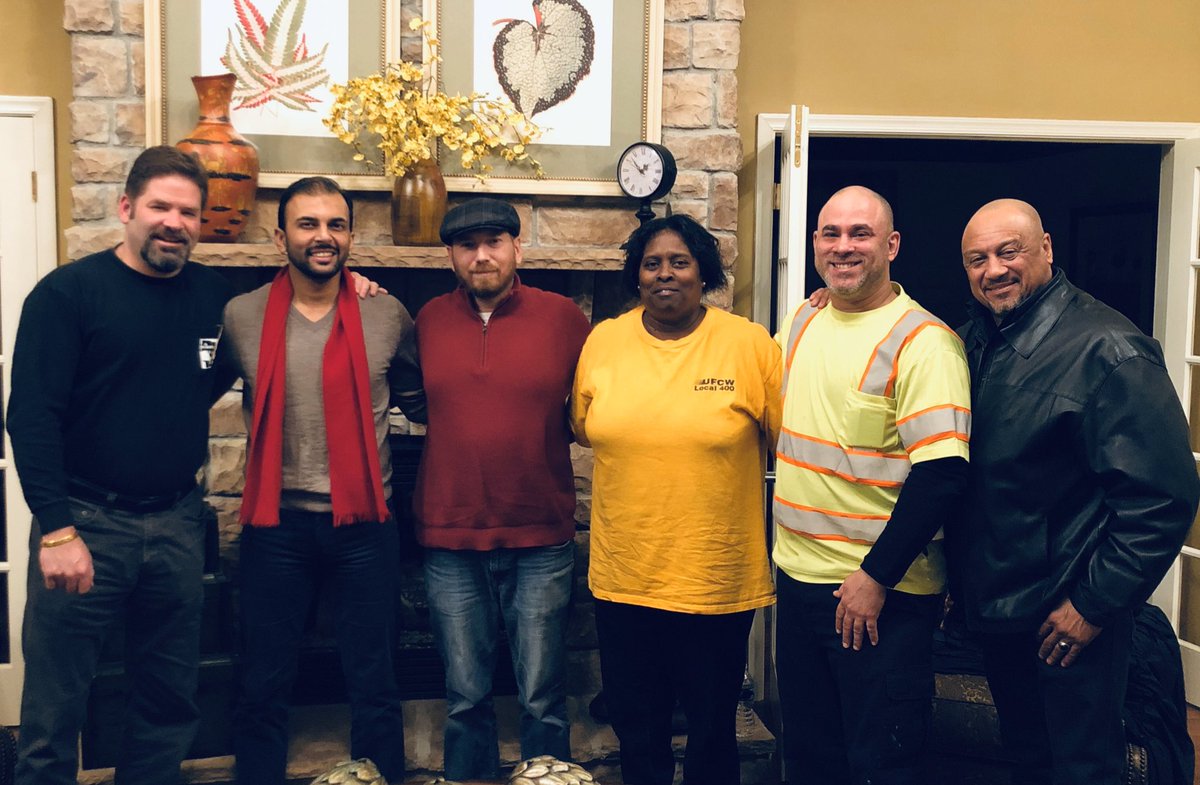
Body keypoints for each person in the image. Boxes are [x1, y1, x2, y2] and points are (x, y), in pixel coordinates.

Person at [6, 146, 233, 785]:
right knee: (56, 707)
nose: (174, 223)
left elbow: (212, 378)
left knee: (167, 701)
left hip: (177, 525)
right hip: (84, 525)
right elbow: (31, 418)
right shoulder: (68, 294)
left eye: (189, 213)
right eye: (161, 207)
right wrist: (57, 530)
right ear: (126, 207)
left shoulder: (211, 297)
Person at [954, 198, 1199, 785]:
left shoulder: (1111, 349)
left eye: (1009, 252)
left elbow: (1162, 499)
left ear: (1046, 248)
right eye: (977, 259)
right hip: (1001, 610)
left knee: (1082, 769)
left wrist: (1093, 605)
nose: (994, 270)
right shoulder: (973, 341)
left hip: (1068, 616)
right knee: (1028, 759)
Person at [221, 177, 426, 785]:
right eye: (308, 224)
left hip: (366, 527)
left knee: (375, 682)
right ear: (279, 236)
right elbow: (186, 393)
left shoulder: (385, 313)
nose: (323, 236)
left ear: (351, 237)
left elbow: (423, 401)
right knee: (262, 682)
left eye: (336, 225)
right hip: (275, 526)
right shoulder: (241, 315)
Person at [570, 213, 780, 785]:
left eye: (679, 262)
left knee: (712, 731)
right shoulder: (605, 341)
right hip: (625, 578)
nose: (665, 274)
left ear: (703, 272)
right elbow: (583, 426)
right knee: (638, 731)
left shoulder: (749, 345)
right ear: (636, 276)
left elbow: (788, 442)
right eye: (652, 264)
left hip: (715, 580)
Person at [774, 186, 970, 785]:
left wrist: (875, 577)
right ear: (815, 244)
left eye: (861, 234)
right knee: (810, 756)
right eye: (831, 234)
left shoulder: (924, 342)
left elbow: (941, 475)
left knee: (882, 763)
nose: (844, 246)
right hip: (800, 580)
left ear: (892, 245)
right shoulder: (803, 318)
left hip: (879, 595)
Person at [414, 197, 591, 780]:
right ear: (451, 256)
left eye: (494, 242)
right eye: (467, 246)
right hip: (450, 536)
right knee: (464, 697)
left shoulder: (564, 318)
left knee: (542, 694)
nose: (482, 256)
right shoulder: (427, 320)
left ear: (518, 247)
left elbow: (605, 385)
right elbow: (410, 396)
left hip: (540, 534)